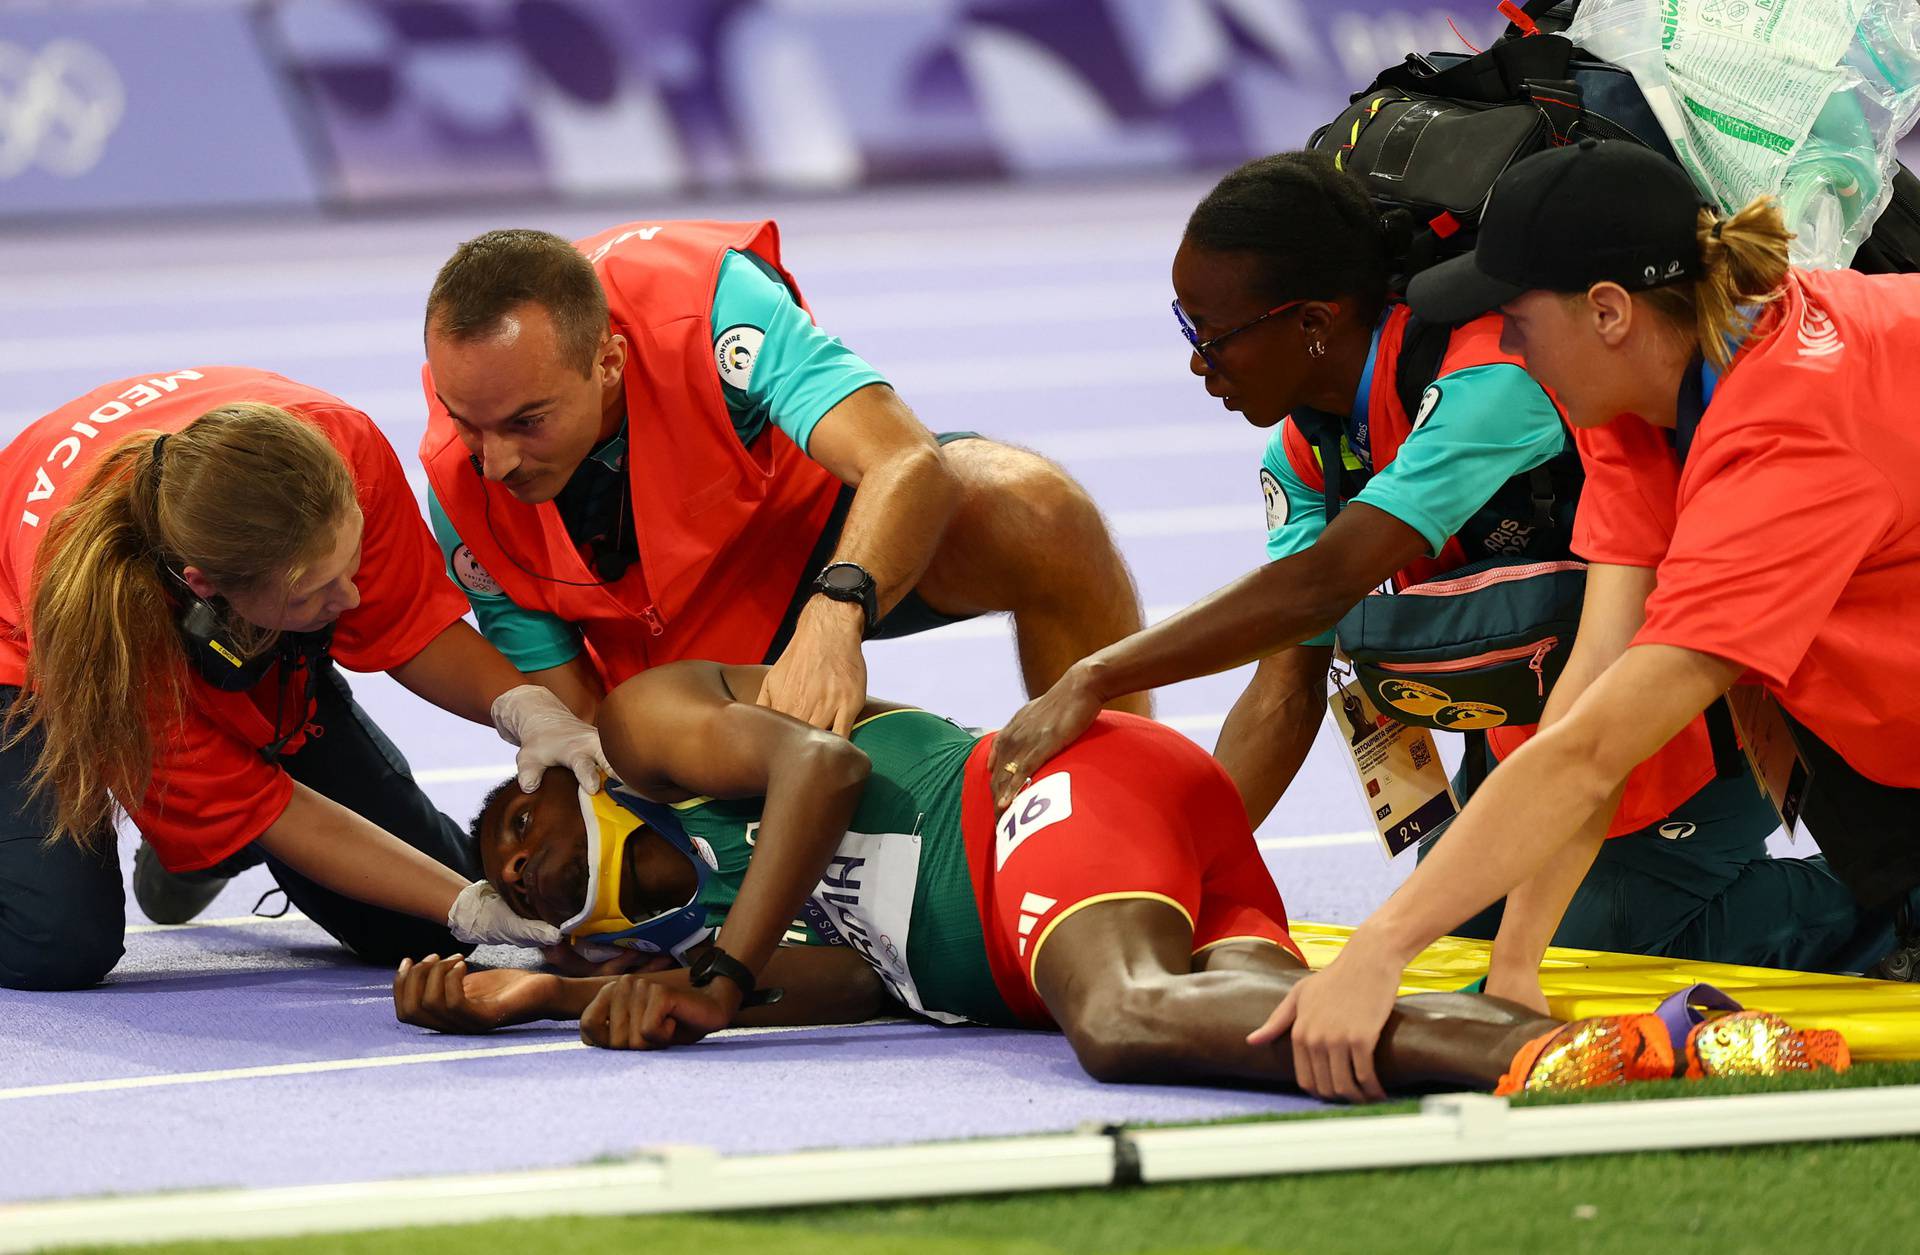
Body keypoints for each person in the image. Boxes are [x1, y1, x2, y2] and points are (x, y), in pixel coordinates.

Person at [984, 151, 1878, 979]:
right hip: (1545, 719)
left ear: (1312, 323)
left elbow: (1324, 583)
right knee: (1460, 940)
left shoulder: (1495, 381)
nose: (1195, 359)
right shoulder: (1308, 457)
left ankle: (1889, 909)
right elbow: (1286, 678)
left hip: (1698, 705)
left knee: (1603, 946)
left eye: (1211, 332)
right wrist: (1174, 873)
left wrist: (1099, 674)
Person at [388, 660, 1846, 1099]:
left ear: (531, 805)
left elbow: (826, 775)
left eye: (513, 850)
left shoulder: (652, 731)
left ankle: (1566, 1051)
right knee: (1261, 1013)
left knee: (1129, 1022)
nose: (532, 874)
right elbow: (882, 977)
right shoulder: (706, 924)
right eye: (532, 902)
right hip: (1094, 876)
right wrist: (547, 991)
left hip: (1043, 802)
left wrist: (703, 977)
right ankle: (1692, 1040)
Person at [1257, 138, 1920, 1100]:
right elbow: (1585, 700)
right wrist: (1517, 964)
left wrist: (1381, 947)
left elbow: (1597, 748)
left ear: (1608, 310)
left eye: (1515, 323)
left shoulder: (1786, 440)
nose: (1504, 351)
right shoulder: (1637, 399)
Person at [0, 367, 604, 991]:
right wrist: (464, 902)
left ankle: (206, 825)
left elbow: (408, 622)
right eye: (317, 590)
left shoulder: (337, 449)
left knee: (419, 933)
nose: (350, 599)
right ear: (205, 585)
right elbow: (277, 811)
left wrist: (529, 709)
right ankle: (200, 813)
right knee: (55, 940)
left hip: (230, 603)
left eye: (350, 564)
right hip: (19, 649)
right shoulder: (99, 621)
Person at [417, 223, 1145, 734]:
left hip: (810, 542)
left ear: (608, 361)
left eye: (526, 422)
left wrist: (836, 615)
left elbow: (903, 459)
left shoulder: (710, 307)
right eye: (468, 422)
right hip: (670, 669)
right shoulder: (461, 485)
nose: (496, 460)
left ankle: (1137, 809)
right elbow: (577, 718)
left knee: (1035, 511)